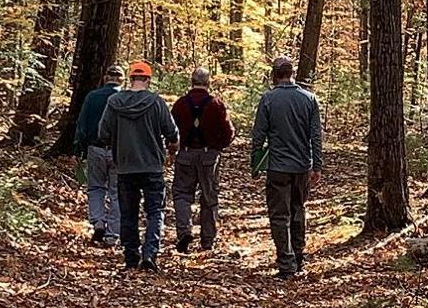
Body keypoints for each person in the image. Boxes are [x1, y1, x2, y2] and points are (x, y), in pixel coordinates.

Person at [98, 60, 179, 271]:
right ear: (148, 80)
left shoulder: (114, 102)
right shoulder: (156, 102)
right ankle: (150, 253)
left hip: (125, 166)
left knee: (128, 212)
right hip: (152, 166)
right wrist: (172, 147)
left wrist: (116, 143)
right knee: (155, 211)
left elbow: (102, 133)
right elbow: (172, 132)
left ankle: (131, 256)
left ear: (131, 78)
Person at [249, 56, 323, 279]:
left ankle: (287, 262)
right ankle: (298, 255)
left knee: (280, 215)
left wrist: (255, 163)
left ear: (275, 74)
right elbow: (316, 136)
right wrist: (316, 165)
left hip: (278, 167)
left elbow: (258, 135)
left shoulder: (269, 99)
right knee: (298, 209)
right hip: (301, 166)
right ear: (292, 73)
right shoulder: (309, 99)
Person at [170, 67, 236, 253]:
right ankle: (207, 240)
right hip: (209, 156)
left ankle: (184, 232)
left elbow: (170, 129)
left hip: (185, 154)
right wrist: (219, 146)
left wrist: (172, 148)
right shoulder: (216, 104)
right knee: (209, 197)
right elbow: (229, 131)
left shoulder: (181, 104)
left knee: (182, 194)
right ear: (208, 83)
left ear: (191, 82)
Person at [74, 64, 125, 245]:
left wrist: (78, 148)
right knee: (117, 192)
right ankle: (112, 235)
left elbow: (82, 124)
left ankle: (98, 222)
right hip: (119, 151)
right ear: (122, 80)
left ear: (105, 78)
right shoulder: (124, 99)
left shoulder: (92, 97)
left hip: (95, 148)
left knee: (95, 187)